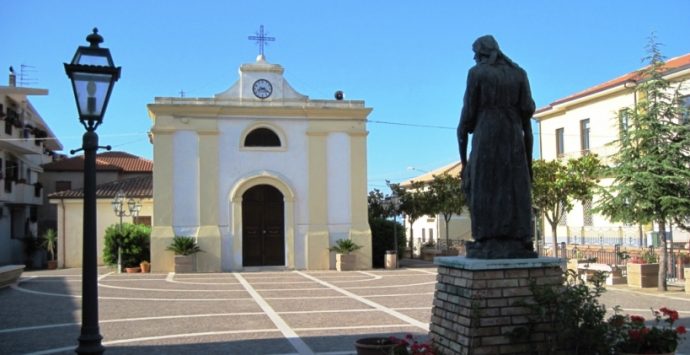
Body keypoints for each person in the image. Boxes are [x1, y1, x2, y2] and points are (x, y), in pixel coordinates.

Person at [457, 35, 536, 259]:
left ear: (482, 53)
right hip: (514, 138)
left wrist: (464, 164)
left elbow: (467, 116)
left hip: (487, 135)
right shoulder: (520, 74)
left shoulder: (477, 73)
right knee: (514, 185)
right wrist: (529, 165)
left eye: (476, 53)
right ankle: (519, 238)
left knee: (484, 185)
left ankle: (486, 238)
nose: (474, 58)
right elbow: (527, 120)